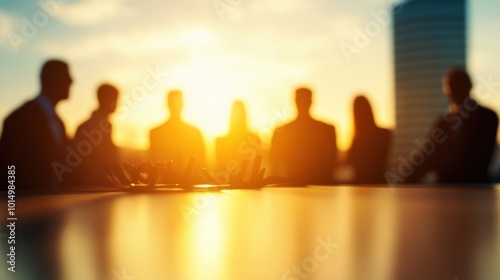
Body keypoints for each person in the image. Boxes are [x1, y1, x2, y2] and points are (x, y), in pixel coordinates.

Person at [406, 68, 498, 183]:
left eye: (456, 85)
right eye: (451, 85)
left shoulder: (487, 117)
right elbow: (425, 155)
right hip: (447, 189)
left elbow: (480, 159)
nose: (454, 89)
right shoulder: (444, 121)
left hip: (474, 189)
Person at [0, 59, 73, 189]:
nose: (72, 81)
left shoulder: (60, 123)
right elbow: (8, 171)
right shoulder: (17, 119)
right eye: (66, 76)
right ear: (52, 79)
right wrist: (13, 207)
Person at [270, 87, 338, 184]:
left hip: (300, 185)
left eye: (303, 100)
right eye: (300, 100)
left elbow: (275, 164)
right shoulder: (327, 129)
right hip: (300, 186)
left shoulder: (281, 131)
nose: (302, 103)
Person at [149, 90, 206, 178]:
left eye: (177, 103)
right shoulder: (155, 133)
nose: (175, 106)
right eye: (173, 102)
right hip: (164, 184)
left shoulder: (155, 132)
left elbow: (202, 164)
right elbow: (153, 162)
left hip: (189, 183)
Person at [72, 84, 120, 186]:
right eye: (115, 99)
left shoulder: (104, 126)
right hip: (91, 189)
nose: (117, 104)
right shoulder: (88, 128)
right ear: (105, 100)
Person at [345, 95, 391, 183]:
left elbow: (349, 161)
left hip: (361, 184)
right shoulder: (385, 133)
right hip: (380, 182)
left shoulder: (357, 139)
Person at [215, 101, 261, 172]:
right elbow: (219, 169)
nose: (238, 117)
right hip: (228, 182)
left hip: (249, 182)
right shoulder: (220, 141)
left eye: (240, 113)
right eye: (236, 114)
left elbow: (258, 166)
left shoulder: (255, 139)